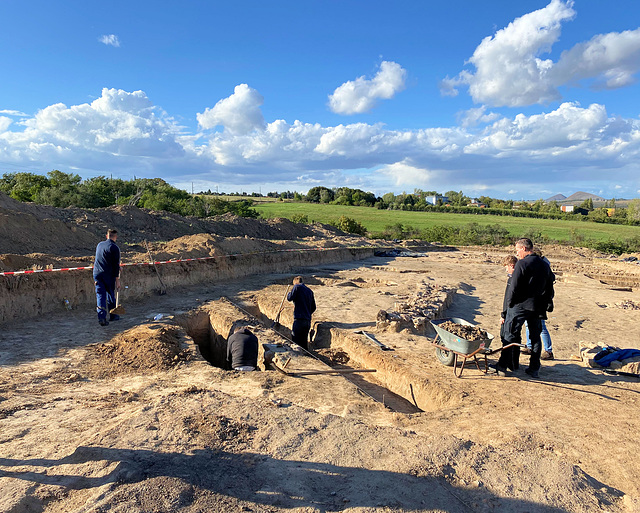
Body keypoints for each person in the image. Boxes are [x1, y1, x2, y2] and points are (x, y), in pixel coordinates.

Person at [496, 238, 554, 378]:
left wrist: (509, 304)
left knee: (510, 334)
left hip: (520, 306)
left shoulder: (522, 263)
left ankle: (503, 366)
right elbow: (549, 287)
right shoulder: (544, 265)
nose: (517, 253)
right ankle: (534, 368)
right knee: (535, 338)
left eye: (517, 250)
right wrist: (546, 303)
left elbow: (513, 287)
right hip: (537, 307)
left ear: (523, 249)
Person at [523, 247, 554, 360]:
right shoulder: (543, 266)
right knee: (528, 324)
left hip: (539, 301)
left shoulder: (542, 269)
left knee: (541, 326)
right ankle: (530, 346)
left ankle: (548, 350)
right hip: (533, 300)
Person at [93, 229, 121, 326]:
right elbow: (116, 265)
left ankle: (102, 317)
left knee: (100, 295)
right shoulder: (114, 248)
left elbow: (102, 259)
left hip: (97, 273)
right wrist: (117, 281)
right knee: (110, 294)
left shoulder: (100, 245)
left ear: (107, 236)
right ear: (115, 237)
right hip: (107, 275)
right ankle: (113, 315)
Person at [499, 255, 520, 371]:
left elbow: (508, 298)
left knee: (506, 336)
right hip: (517, 312)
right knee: (516, 337)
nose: (506, 270)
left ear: (511, 265)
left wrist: (504, 314)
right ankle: (514, 364)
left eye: (506, 267)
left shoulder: (512, 279)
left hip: (511, 312)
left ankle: (505, 364)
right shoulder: (520, 276)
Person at [286, 276, 316, 350]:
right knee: (303, 342)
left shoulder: (297, 287)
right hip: (307, 321)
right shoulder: (310, 291)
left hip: (299, 320)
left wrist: (290, 292)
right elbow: (314, 307)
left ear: (295, 282)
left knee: (295, 342)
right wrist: (307, 313)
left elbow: (290, 298)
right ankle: (306, 356)